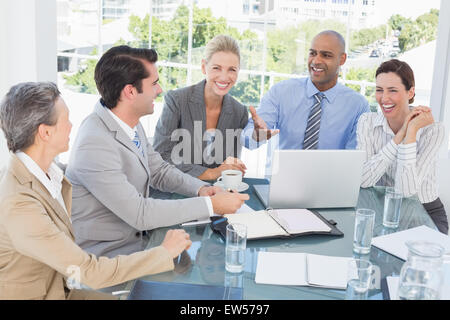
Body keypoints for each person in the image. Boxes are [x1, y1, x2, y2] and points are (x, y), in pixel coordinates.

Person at [0, 82, 193, 300]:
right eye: (65, 120)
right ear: (45, 132)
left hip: (64, 290)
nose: (72, 126)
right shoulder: (19, 206)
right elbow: (89, 272)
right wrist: (163, 253)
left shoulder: (49, 174)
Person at [65, 46, 249, 258]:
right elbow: (140, 213)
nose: (159, 89)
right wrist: (210, 205)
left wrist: (202, 190)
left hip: (141, 242)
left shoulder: (128, 123)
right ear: (130, 92)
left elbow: (159, 170)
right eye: (153, 83)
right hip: (110, 259)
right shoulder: (94, 143)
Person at [357, 59, 448, 234]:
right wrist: (399, 136)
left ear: (410, 92)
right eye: (379, 90)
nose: (384, 98)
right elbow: (363, 179)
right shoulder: (367, 122)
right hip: (382, 209)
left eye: (393, 90)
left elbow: (406, 191)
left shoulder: (433, 130)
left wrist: (411, 131)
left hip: (425, 212)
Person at [240, 30, 370, 151]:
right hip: (284, 174)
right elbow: (247, 140)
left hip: (332, 175)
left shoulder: (357, 105)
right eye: (312, 53)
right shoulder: (281, 92)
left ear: (342, 59)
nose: (316, 60)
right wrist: (255, 136)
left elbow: (355, 157)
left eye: (326, 55)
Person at [153, 35, 248, 181]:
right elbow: (162, 155)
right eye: (216, 68)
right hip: (176, 191)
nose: (224, 77)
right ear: (204, 67)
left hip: (216, 192)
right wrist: (212, 173)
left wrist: (235, 168)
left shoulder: (239, 112)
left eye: (232, 70)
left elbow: (229, 165)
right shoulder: (177, 100)